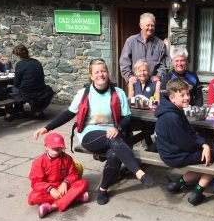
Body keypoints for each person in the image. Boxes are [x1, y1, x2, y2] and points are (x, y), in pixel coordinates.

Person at [33, 58, 155, 205]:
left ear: (107, 73)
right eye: (97, 72)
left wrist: (117, 127)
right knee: (112, 139)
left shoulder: (118, 92)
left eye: (103, 71)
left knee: (115, 153)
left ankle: (103, 189)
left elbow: (127, 117)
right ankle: (139, 173)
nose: (101, 74)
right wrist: (47, 128)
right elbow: (68, 114)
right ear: (91, 75)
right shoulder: (84, 93)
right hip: (90, 135)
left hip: (113, 132)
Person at [155, 78, 214, 206]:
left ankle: (177, 183)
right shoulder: (172, 116)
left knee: (208, 149)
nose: (187, 97)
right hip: (173, 155)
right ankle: (197, 192)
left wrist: (203, 144)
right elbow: (185, 143)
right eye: (182, 95)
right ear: (172, 97)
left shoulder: (175, 109)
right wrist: (203, 148)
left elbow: (190, 131)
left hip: (171, 150)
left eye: (188, 94)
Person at [28, 132, 89, 218]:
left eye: (59, 147)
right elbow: (36, 182)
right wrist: (50, 189)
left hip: (64, 186)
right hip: (48, 187)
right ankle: (74, 198)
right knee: (33, 198)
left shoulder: (67, 158)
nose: (56, 148)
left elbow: (73, 173)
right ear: (46, 146)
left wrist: (65, 183)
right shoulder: (38, 162)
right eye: (53, 146)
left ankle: (52, 207)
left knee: (83, 183)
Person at [119, 12, 169, 84]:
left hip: (153, 84)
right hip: (135, 83)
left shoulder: (160, 44)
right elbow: (124, 62)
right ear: (141, 25)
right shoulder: (131, 41)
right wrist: (129, 76)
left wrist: (159, 76)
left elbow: (165, 64)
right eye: (148, 25)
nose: (150, 28)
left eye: (152, 26)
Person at [8, 44, 54, 119]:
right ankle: (32, 110)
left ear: (18, 56)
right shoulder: (36, 62)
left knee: (9, 90)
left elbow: (16, 83)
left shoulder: (20, 64)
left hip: (27, 92)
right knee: (19, 89)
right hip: (40, 89)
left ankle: (12, 112)